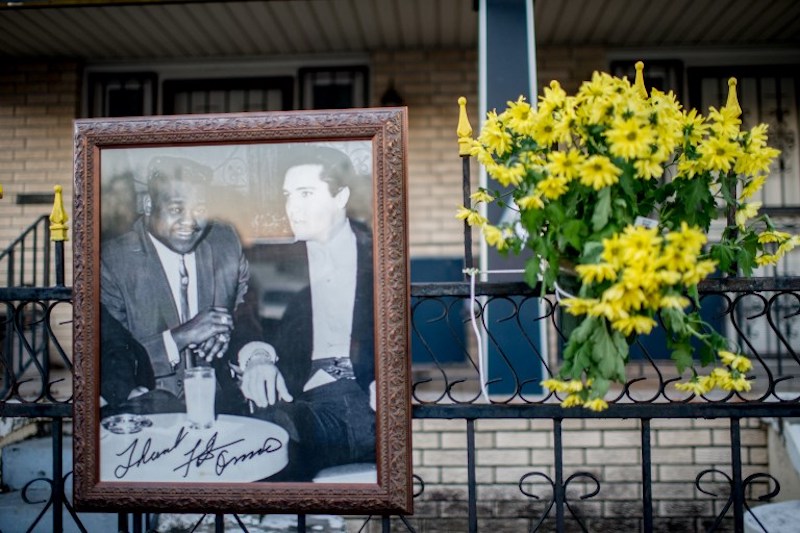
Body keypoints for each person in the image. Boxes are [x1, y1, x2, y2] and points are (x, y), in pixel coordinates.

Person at [236, 145, 376, 481]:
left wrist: (390, 377)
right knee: (272, 437)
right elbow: (247, 321)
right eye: (288, 195)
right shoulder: (269, 258)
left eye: (306, 194)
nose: (292, 208)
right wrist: (257, 359)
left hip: (368, 396)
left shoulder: (378, 251)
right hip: (302, 399)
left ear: (340, 197)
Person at [101, 155, 249, 413]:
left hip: (223, 404)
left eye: (200, 209)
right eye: (177, 209)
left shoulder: (225, 243)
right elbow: (108, 357)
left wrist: (228, 331)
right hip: (148, 406)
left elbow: (248, 314)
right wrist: (181, 336)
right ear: (148, 205)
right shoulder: (113, 261)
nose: (190, 221)